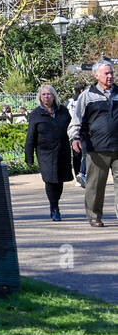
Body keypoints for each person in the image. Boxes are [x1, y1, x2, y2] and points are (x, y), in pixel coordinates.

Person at [69, 60, 118, 227]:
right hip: (97, 148)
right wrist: (75, 138)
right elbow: (76, 119)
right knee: (95, 185)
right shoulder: (87, 95)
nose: (110, 76)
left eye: (112, 72)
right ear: (96, 75)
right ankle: (94, 216)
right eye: (107, 73)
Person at [27, 84, 72, 222]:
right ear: (40, 97)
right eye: (44, 94)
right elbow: (31, 136)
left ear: (54, 96)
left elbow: (71, 128)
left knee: (59, 180)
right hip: (45, 152)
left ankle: (56, 203)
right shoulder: (36, 114)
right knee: (50, 180)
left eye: (49, 94)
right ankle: (54, 207)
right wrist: (29, 157)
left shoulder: (63, 111)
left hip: (62, 150)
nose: (47, 97)